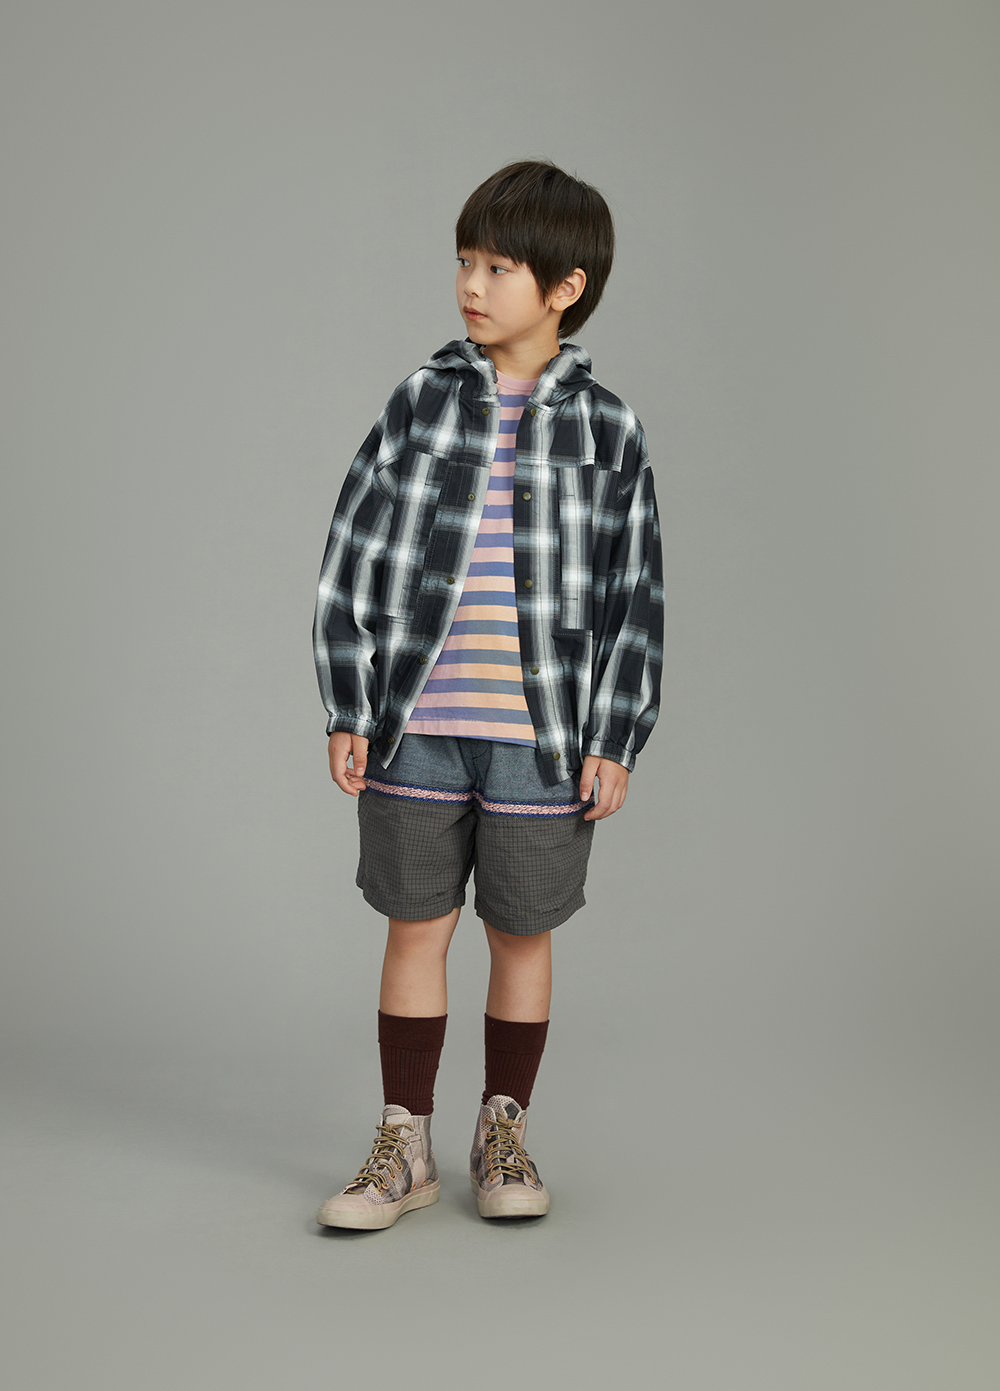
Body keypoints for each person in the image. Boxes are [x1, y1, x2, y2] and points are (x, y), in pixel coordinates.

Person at [312, 160, 662, 1229]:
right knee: (414, 927)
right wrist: (349, 701)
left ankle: (501, 1130)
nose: (471, 282)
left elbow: (634, 591)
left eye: (499, 266)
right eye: (465, 260)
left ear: (565, 286)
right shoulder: (420, 402)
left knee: (521, 934)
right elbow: (352, 551)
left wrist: (615, 735)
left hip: (541, 738)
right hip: (417, 724)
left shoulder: (608, 428)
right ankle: (404, 1141)